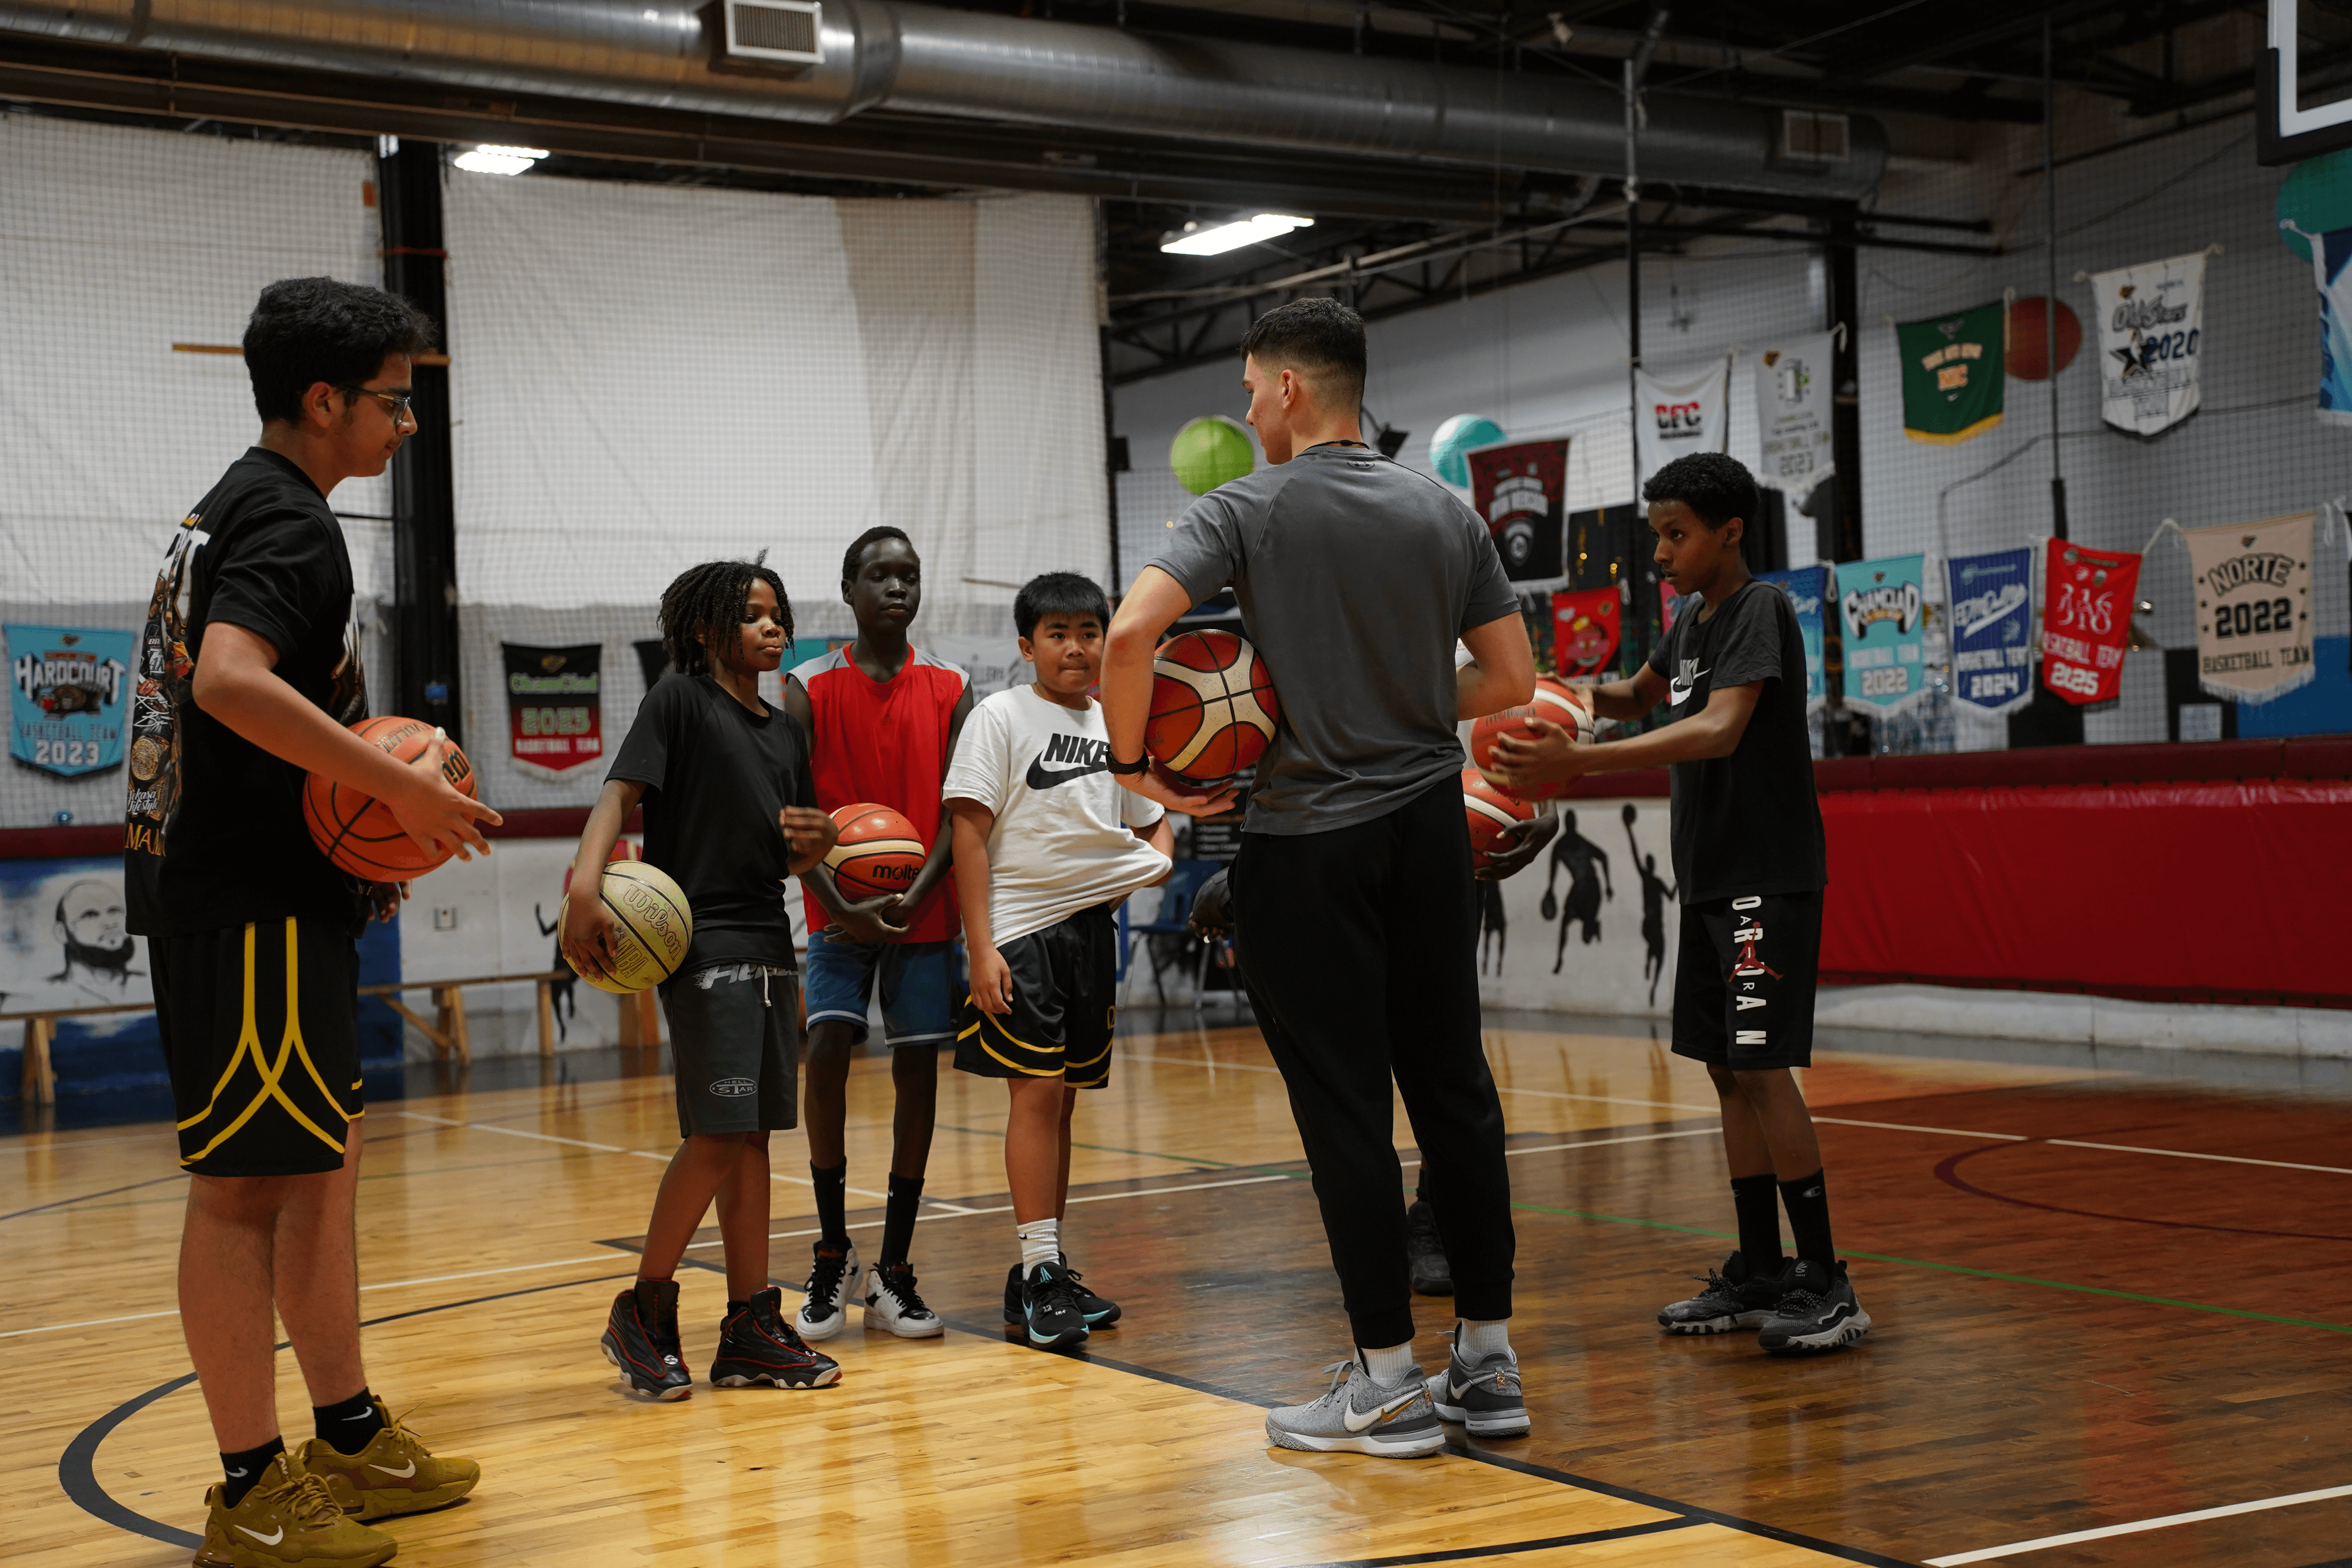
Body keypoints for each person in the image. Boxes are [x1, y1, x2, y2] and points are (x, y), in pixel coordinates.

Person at [1105, 296, 1537, 1456]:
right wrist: (1397, 693)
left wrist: (1138, 766)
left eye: (1250, 387)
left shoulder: (1243, 507)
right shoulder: (1446, 509)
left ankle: (1388, 1383)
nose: (1246, 409)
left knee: (1347, 1108)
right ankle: (1488, 1367)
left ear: (1292, 388)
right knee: (1457, 1093)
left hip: (1307, 846)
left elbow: (1127, 638)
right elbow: (1508, 680)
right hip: (1429, 835)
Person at [125, 277, 496, 1568]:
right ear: (325, 399)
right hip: (248, 909)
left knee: (320, 1164)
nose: (405, 426)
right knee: (243, 1192)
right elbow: (229, 681)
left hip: (268, 895)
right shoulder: (289, 519)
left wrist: (354, 845)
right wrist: (396, 785)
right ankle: (247, 1486)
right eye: (395, 401)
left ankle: (344, 1434)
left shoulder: (230, 503)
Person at [1487, 450, 1867, 1356]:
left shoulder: (1758, 610)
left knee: (1766, 1069)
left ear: (1729, 533)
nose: (1658, 552)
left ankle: (1826, 1279)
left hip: (1762, 879)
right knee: (1727, 1072)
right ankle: (1759, 1267)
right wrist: (1547, 697)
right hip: (1709, 878)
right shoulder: (1691, 621)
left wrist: (1575, 761)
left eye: (1674, 535)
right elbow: (1634, 696)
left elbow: (1717, 727)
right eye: (1655, 534)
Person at [567, 555, 846, 1399]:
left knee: (755, 1134)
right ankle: (643, 1310)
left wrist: (817, 845)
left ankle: (750, 1325)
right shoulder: (679, 701)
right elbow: (619, 795)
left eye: (779, 616)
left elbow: (793, 841)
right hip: (702, 942)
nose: (775, 628)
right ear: (704, 629)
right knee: (719, 1132)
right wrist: (586, 880)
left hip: (770, 939)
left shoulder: (785, 726)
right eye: (755, 615)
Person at [943, 572, 1180, 1349]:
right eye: (1057, 634)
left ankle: (1041, 1273)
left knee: (1066, 1100)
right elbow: (968, 836)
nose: (1075, 647)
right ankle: (1040, 1269)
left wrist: (1145, 870)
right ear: (1026, 646)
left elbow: (1154, 825)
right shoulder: (999, 715)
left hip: (1089, 935)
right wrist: (981, 948)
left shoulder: (1120, 721)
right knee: (1037, 1098)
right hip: (1019, 934)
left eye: (1088, 631)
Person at [782, 527, 972, 1341]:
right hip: (837, 909)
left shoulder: (954, 687)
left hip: (925, 908)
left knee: (918, 1069)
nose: (896, 588)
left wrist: (919, 889)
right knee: (825, 1051)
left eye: (909, 576)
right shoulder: (804, 688)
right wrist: (843, 902)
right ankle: (832, 1253)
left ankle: (894, 1268)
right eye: (880, 576)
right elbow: (793, 818)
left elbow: (958, 813)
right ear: (849, 589)